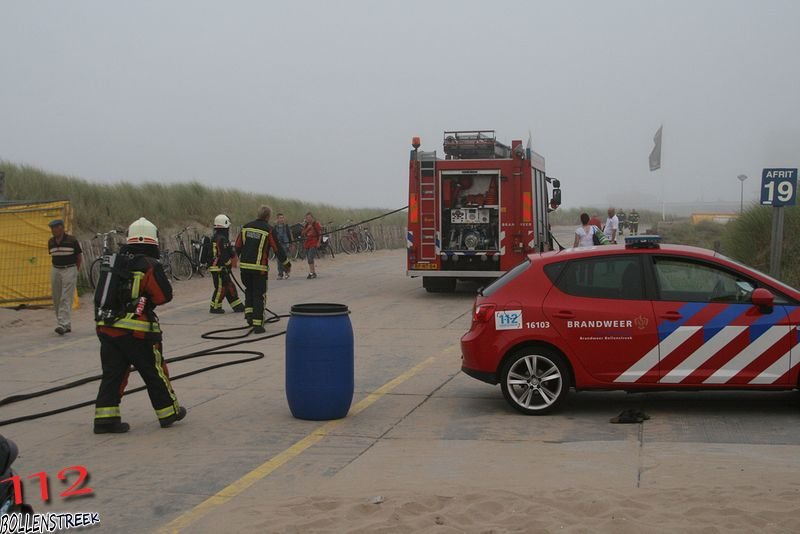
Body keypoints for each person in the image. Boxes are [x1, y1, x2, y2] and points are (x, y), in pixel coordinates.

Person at [93, 217, 185, 434]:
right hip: (137, 332)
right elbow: (163, 296)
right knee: (154, 371)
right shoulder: (149, 265)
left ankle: (105, 419)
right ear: (153, 240)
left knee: (113, 374)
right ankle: (169, 411)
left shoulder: (112, 260)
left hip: (106, 328)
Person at [234, 205, 291, 334]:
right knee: (259, 295)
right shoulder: (268, 230)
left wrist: (232, 260)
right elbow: (277, 249)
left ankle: (249, 316)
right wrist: (287, 264)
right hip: (259, 269)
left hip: (245, 268)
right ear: (268, 216)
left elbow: (237, 245)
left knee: (249, 291)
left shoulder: (246, 227)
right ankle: (258, 324)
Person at [47, 218, 82, 335]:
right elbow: (53, 256)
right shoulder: (50, 242)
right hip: (55, 269)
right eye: (51, 228)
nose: (53, 230)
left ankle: (62, 323)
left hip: (69, 268)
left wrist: (75, 270)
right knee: (56, 297)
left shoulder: (72, 240)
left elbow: (78, 256)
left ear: (61, 228)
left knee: (66, 297)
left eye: (55, 228)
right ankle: (65, 324)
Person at [209, 214, 245, 314]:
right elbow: (224, 255)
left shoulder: (217, 237)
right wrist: (228, 265)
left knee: (229, 285)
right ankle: (215, 307)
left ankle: (237, 306)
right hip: (219, 267)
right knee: (221, 287)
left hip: (218, 267)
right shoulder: (222, 239)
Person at [301, 212, 323, 279]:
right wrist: (308, 228)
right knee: (309, 259)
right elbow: (302, 233)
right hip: (307, 243)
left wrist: (319, 242)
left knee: (310, 257)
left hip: (314, 243)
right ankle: (313, 272)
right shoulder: (306, 225)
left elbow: (320, 233)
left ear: (312, 218)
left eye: (309, 217)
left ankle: (311, 273)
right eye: (307, 218)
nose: (308, 219)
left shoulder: (316, 224)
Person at [273, 213, 292, 280]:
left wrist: (290, 244)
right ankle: (280, 274)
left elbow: (289, 235)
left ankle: (286, 272)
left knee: (285, 259)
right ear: (277, 219)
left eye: (282, 218)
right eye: (280, 218)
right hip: (278, 246)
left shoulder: (286, 226)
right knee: (279, 260)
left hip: (285, 245)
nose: (281, 219)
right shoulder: (275, 227)